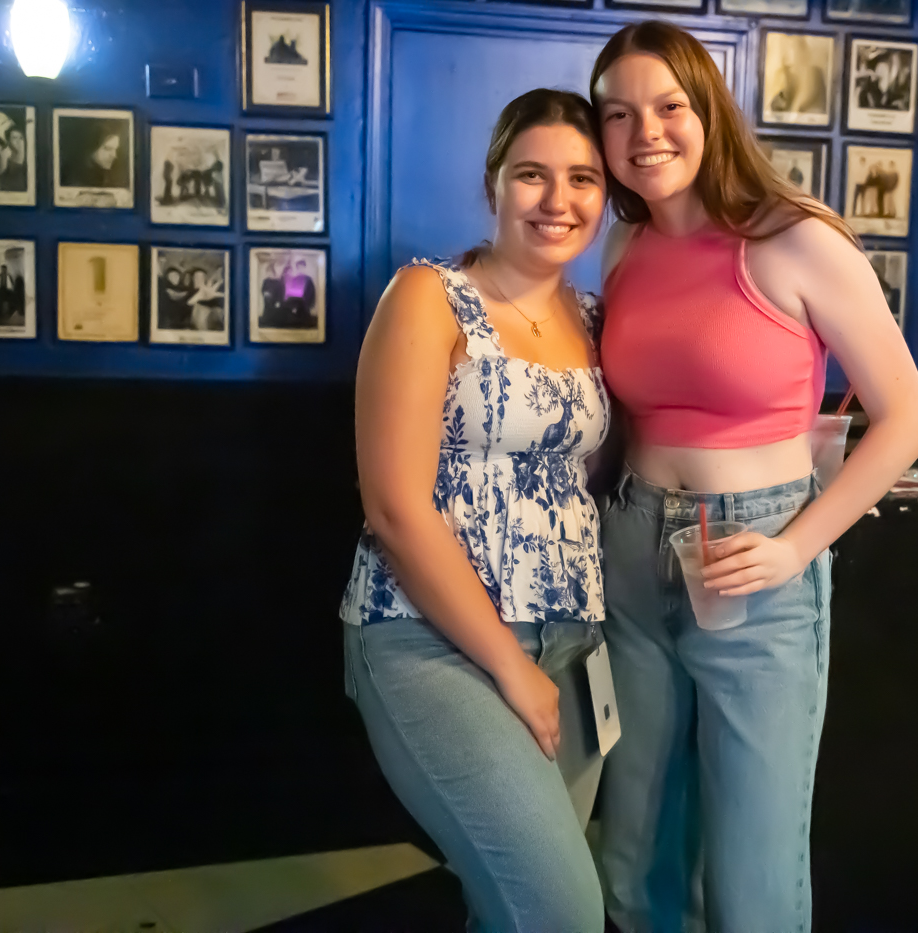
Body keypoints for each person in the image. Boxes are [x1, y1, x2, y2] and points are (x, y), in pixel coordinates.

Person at [590, 21, 918, 932]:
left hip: (756, 555)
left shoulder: (795, 239)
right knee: (635, 862)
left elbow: (908, 418)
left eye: (669, 106)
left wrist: (794, 549)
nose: (644, 132)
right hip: (631, 550)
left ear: (710, 110)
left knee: (751, 879)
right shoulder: (623, 247)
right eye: (617, 114)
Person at [339, 88, 611, 932]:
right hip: (432, 638)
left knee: (512, 910)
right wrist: (509, 665)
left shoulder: (594, 319)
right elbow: (393, 507)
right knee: (562, 911)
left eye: (583, 178)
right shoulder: (429, 294)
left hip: (573, 641)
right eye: (532, 174)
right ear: (493, 181)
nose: (558, 199)